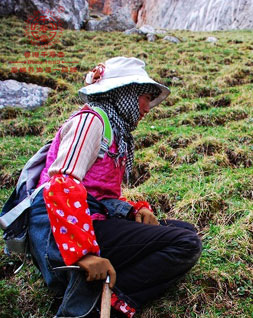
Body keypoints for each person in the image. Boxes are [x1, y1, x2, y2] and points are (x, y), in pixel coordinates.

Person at [28, 57, 202, 317]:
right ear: (125, 94)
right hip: (61, 235)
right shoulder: (91, 122)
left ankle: (106, 285)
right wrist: (84, 254)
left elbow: (96, 195)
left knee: (183, 231)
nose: (148, 107)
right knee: (185, 243)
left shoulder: (112, 129)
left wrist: (132, 212)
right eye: (145, 97)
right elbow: (62, 184)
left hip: (85, 221)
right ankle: (102, 302)